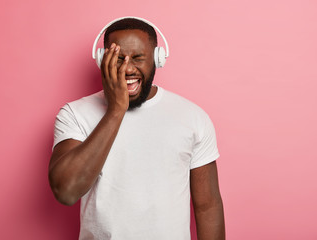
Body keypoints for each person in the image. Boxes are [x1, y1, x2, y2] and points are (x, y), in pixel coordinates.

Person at [48, 17, 225, 240]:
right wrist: (116, 110)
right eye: (118, 58)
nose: (128, 68)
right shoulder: (74, 114)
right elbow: (66, 191)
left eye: (138, 58)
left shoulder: (192, 117)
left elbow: (208, 206)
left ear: (158, 59)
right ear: (102, 59)